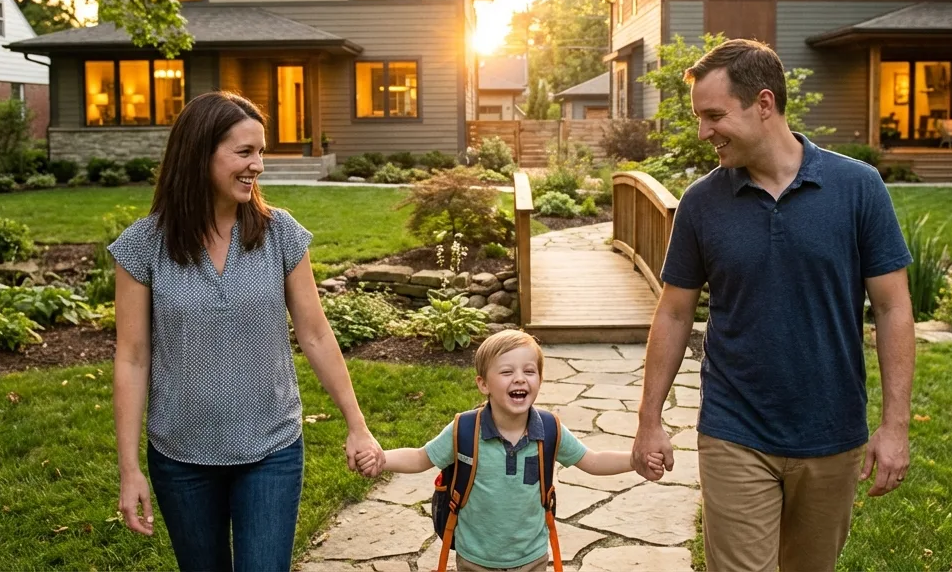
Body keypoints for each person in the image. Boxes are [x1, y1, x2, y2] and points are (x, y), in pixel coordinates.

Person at [631, 39, 916, 572]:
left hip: (832, 431)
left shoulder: (858, 188)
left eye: (714, 115)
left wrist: (895, 425)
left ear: (764, 104)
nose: (702, 132)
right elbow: (673, 313)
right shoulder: (701, 203)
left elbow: (894, 308)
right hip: (734, 428)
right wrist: (650, 418)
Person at [110, 91, 385, 572]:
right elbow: (132, 357)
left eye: (261, 152)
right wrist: (129, 468)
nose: (258, 165)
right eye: (244, 152)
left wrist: (357, 426)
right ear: (200, 154)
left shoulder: (280, 233)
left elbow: (316, 335)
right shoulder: (143, 246)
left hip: (270, 449)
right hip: (180, 457)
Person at [361, 330, 661, 572]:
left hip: (531, 558)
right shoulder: (465, 430)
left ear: (539, 380)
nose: (520, 378)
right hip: (475, 559)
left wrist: (635, 461)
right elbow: (420, 457)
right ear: (483, 384)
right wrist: (383, 458)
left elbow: (592, 460)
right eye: (507, 372)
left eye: (529, 371)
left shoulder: (549, 429)